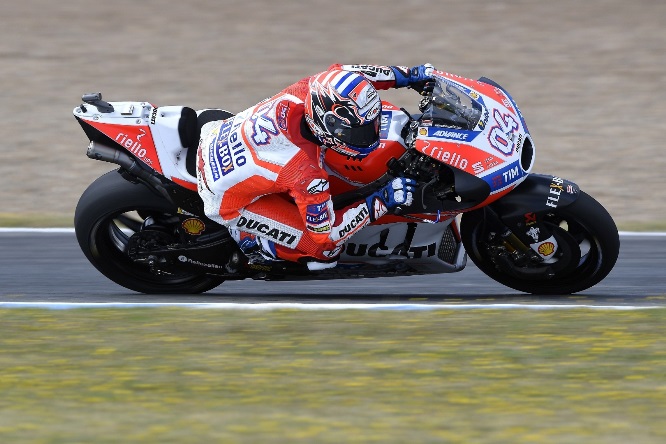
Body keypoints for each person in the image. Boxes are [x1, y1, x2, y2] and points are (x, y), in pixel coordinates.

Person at [196, 63, 435, 271]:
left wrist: (410, 75)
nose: (369, 135)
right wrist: (382, 200)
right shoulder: (305, 172)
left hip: (218, 135)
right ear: (327, 124)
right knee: (324, 253)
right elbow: (327, 235)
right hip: (227, 199)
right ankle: (254, 240)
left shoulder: (310, 89)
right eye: (358, 132)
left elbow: (351, 74)